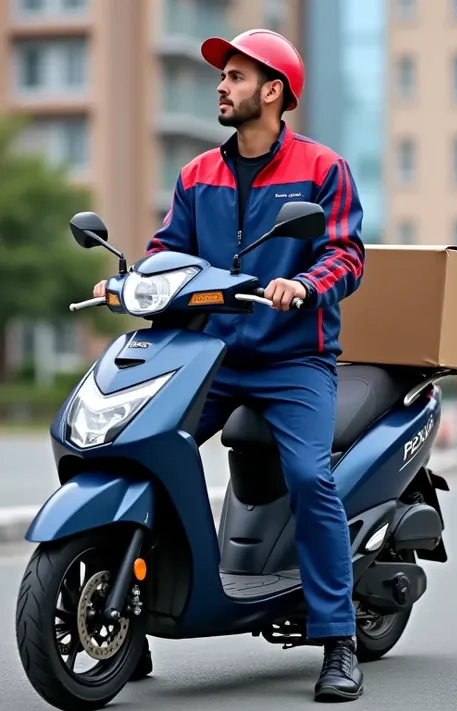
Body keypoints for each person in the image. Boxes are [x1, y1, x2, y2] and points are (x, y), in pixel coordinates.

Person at [94, 29, 365, 702]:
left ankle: (338, 637)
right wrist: (130, 281)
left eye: (238, 76)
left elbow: (347, 254)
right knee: (141, 451)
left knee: (308, 475)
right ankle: (132, 625)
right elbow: (167, 250)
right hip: (208, 354)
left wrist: (304, 286)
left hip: (293, 358)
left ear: (274, 93)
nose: (222, 85)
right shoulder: (196, 175)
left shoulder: (321, 168)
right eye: (223, 76)